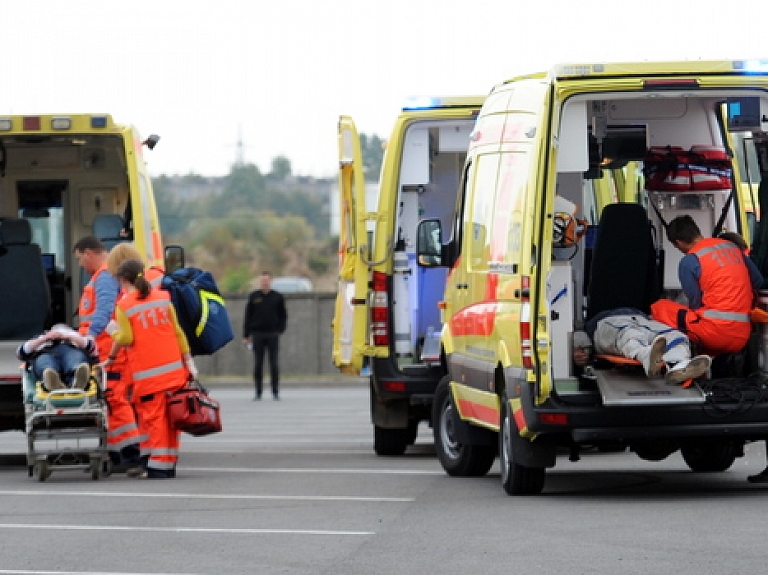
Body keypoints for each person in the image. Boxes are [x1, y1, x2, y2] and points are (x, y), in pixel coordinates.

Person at [108, 259, 196, 479]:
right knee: (171, 420)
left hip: (149, 376)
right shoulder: (163, 298)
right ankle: (167, 463)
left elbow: (127, 338)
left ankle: (158, 468)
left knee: (154, 420)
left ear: (123, 280)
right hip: (174, 372)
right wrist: (189, 361)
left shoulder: (125, 306)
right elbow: (178, 332)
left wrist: (113, 332)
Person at [75, 236, 142, 471]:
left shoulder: (103, 277)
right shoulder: (105, 276)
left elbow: (103, 311)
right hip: (105, 351)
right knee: (111, 404)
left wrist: (89, 337)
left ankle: (131, 455)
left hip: (106, 351)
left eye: (80, 259)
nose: (81, 265)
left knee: (116, 402)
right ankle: (115, 457)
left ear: (88, 254)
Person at [650, 216, 761, 357]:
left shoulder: (688, 261)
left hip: (714, 334)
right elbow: (757, 280)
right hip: (743, 334)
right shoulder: (732, 247)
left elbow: (695, 302)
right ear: (697, 231)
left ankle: (679, 356)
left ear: (678, 243)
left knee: (659, 307)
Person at [573, 307, 711, 384]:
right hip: (608, 323)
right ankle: (646, 356)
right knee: (628, 333)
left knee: (677, 336)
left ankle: (678, 366)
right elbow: (578, 332)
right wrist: (583, 348)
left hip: (644, 320)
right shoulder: (594, 322)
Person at [243, 271, 287, 400]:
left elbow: (283, 316)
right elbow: (248, 317)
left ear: (270, 281)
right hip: (258, 334)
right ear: (259, 282)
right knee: (258, 364)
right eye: (262, 281)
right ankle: (258, 392)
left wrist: (280, 330)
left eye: (266, 280)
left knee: (274, 363)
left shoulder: (277, 297)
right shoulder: (254, 297)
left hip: (273, 334)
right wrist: (246, 335)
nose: (264, 283)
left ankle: (275, 391)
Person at [17, 324, 97, 391]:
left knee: (76, 360)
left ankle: (76, 382)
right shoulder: (40, 338)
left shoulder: (75, 336)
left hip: (70, 350)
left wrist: (66, 336)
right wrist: (44, 339)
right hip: (46, 352)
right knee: (46, 363)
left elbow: (91, 347)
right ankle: (52, 381)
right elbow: (21, 353)